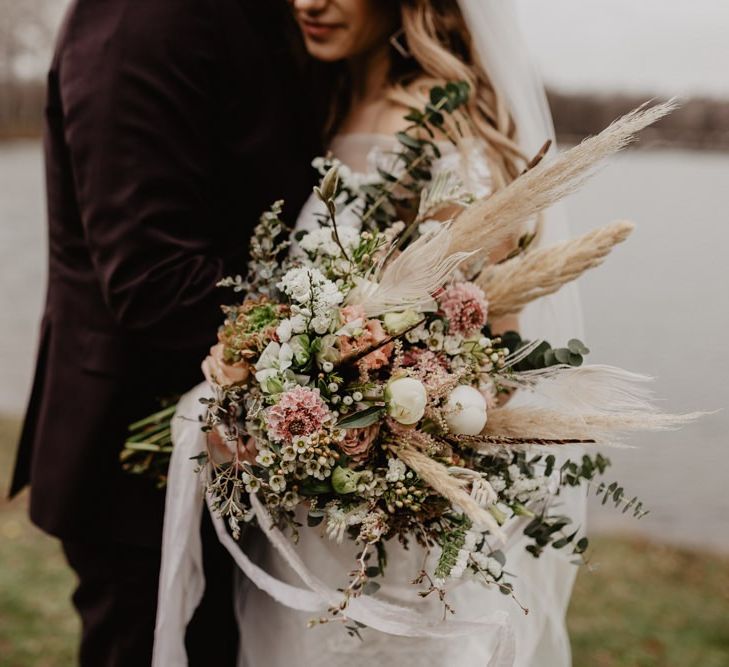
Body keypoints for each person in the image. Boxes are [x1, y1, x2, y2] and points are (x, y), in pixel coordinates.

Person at [156, 1, 586, 665]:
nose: (309, 2)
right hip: (304, 522)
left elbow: (490, 333)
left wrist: (390, 434)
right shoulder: (326, 102)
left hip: (386, 535)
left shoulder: (441, 125)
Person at [8, 0, 317, 665]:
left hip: (233, 458)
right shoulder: (141, 17)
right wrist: (338, 341)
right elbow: (154, 281)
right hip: (141, 473)